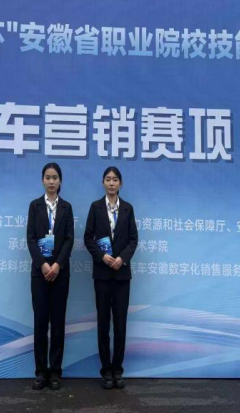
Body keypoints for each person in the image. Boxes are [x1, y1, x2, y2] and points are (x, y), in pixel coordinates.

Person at [84, 166, 138, 390]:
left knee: (120, 325)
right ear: (103, 183)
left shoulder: (127, 208)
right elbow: (88, 238)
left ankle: (118, 370)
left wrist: (122, 258)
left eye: (115, 179)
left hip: (122, 275)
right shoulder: (95, 207)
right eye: (108, 179)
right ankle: (106, 370)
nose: (112, 183)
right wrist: (103, 256)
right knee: (103, 324)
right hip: (103, 275)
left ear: (121, 184)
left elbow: (133, 239)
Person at [26, 163, 74, 391]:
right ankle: (40, 372)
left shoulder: (66, 207)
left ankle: (55, 372)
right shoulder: (35, 206)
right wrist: (44, 265)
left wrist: (56, 265)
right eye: (48, 177)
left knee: (57, 323)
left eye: (55, 177)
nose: (51, 181)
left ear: (60, 181)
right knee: (40, 322)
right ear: (42, 180)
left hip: (60, 273)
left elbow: (69, 240)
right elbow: (31, 239)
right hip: (40, 273)